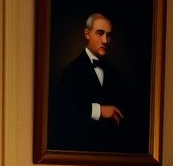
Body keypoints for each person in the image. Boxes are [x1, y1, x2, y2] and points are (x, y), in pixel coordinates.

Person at [49, 12, 138, 153]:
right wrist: (99, 110)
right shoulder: (70, 71)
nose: (105, 40)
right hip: (80, 153)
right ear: (87, 34)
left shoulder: (115, 73)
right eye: (100, 33)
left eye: (108, 35)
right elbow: (63, 111)